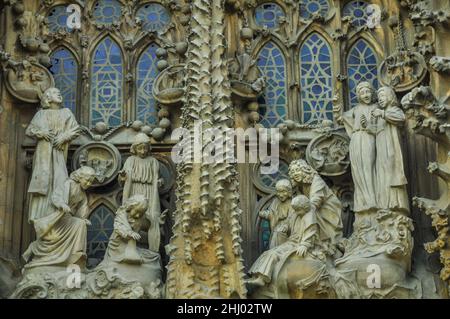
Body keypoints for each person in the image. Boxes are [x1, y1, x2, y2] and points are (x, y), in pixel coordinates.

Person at [23, 166, 96, 270]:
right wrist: (62, 204)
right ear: (80, 177)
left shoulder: (82, 194)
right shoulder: (68, 184)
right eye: (87, 180)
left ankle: (76, 254)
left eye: (91, 182)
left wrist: (83, 218)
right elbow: (56, 196)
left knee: (80, 224)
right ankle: (35, 248)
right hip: (58, 217)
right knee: (54, 237)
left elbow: (82, 209)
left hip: (68, 218)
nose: (88, 184)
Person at [26, 87, 80, 223]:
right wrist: (41, 132)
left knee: (60, 178)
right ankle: (41, 215)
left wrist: (64, 137)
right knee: (44, 181)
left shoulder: (66, 113)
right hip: (43, 155)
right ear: (48, 98)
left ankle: (58, 210)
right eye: (56, 93)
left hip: (59, 152)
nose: (60, 94)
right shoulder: (40, 115)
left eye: (60, 92)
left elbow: (76, 129)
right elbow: (30, 130)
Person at [247, 195, 318, 287]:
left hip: (296, 245)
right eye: (295, 210)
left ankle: (262, 278)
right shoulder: (297, 213)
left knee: (274, 254)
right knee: (269, 252)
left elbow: (310, 232)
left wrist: (304, 245)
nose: (296, 212)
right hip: (291, 242)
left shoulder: (309, 217)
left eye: (298, 210)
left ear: (305, 207)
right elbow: (289, 222)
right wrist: (285, 226)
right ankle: (256, 275)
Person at [119, 133, 163, 252]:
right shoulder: (130, 160)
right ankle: (131, 245)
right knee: (134, 216)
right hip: (134, 190)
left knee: (150, 218)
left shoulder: (153, 161)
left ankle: (151, 248)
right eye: (140, 148)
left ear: (149, 148)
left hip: (149, 191)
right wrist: (123, 177)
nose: (143, 151)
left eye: (145, 148)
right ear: (134, 148)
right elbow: (124, 178)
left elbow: (157, 177)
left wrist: (159, 182)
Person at [341, 82, 378, 213]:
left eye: (367, 92)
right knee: (358, 171)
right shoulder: (356, 109)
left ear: (372, 92)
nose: (365, 95)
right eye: (362, 93)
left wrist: (368, 125)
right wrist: (336, 106)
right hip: (356, 139)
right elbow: (343, 116)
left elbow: (380, 127)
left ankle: (373, 199)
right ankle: (362, 201)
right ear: (358, 96)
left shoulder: (376, 108)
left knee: (369, 167)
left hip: (369, 138)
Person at [288, 160, 343, 248]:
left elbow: (316, 200)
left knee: (307, 211)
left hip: (327, 210)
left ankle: (311, 242)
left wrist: (305, 207)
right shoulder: (299, 185)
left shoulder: (316, 180)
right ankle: (297, 238)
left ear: (305, 170)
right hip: (311, 207)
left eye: (298, 170)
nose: (295, 174)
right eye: (293, 172)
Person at [371, 86, 409, 213]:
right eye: (378, 96)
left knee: (392, 172)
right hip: (381, 149)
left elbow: (401, 118)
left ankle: (396, 204)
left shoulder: (394, 110)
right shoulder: (381, 116)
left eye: (382, 95)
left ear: (390, 96)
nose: (380, 99)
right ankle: (385, 204)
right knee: (382, 174)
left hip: (391, 148)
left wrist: (382, 113)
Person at [259, 179, 293, 248]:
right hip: (275, 228)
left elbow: (293, 218)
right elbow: (272, 214)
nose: (281, 195)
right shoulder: (275, 202)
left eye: (283, 192)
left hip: (286, 231)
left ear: (289, 191)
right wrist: (265, 214)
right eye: (278, 192)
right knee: (275, 236)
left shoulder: (292, 203)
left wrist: (287, 225)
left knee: (279, 234)